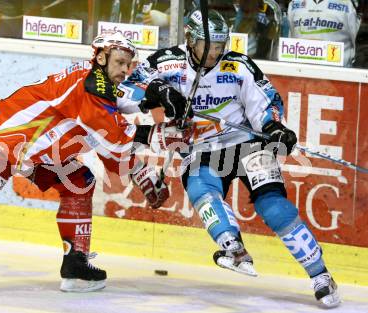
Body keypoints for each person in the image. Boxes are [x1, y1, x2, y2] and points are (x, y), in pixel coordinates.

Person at [0, 32, 191, 292]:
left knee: (79, 181)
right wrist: (163, 131)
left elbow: (126, 99)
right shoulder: (91, 95)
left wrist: (157, 96)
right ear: (100, 58)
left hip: (37, 152)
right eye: (119, 63)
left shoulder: (97, 79)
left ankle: (76, 265)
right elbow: (117, 152)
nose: (124, 70)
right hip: (3, 143)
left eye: (127, 64)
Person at [117, 9, 340, 308]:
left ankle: (321, 276)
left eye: (220, 46)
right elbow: (125, 91)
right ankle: (233, 248)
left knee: (274, 207)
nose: (214, 53)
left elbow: (267, 101)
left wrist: (275, 127)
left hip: (248, 143)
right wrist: (159, 90)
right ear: (190, 39)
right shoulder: (166, 62)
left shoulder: (238, 65)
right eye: (207, 46)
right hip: (202, 149)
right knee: (201, 189)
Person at [287, 0, 361, 67]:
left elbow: (358, 43)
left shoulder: (348, 4)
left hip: (338, 75)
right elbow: (290, 39)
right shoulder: (294, 4)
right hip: (299, 73)